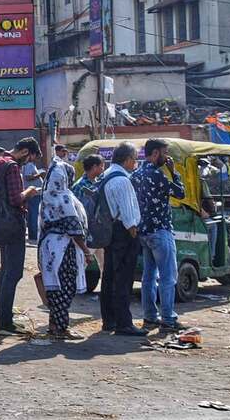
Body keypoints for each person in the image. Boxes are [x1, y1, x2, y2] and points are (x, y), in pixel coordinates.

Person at [0, 138, 42, 336]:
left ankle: (3, 318)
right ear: (24, 151)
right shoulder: (11, 167)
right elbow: (16, 198)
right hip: (12, 223)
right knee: (13, 272)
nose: (29, 162)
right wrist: (30, 192)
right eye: (30, 157)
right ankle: (5, 322)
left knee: (5, 270)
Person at [132, 139, 186, 332]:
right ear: (155, 153)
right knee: (168, 277)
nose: (167, 157)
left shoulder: (136, 174)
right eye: (164, 153)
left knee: (148, 276)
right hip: (160, 231)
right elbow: (180, 193)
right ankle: (168, 319)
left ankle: (149, 317)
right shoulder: (158, 174)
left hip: (144, 232)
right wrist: (174, 172)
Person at [39, 155, 91, 340]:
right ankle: (61, 329)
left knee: (54, 289)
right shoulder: (64, 198)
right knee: (65, 288)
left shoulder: (47, 195)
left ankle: (54, 325)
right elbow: (74, 228)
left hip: (48, 248)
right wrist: (86, 251)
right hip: (63, 248)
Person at [99, 141, 146, 336]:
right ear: (127, 160)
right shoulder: (122, 180)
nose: (135, 163)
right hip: (123, 232)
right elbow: (128, 214)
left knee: (109, 276)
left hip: (110, 231)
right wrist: (133, 232)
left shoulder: (106, 175)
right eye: (134, 159)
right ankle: (124, 323)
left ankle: (109, 320)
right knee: (123, 279)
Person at [72, 154, 106, 277]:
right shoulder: (80, 186)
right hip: (86, 233)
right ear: (95, 167)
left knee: (105, 266)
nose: (103, 169)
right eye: (102, 166)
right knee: (81, 265)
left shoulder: (97, 183)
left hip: (99, 233)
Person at [21, 154, 45, 242]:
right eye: (37, 156)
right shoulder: (29, 165)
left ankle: (33, 235)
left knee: (32, 214)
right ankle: (34, 235)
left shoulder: (32, 165)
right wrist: (40, 175)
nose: (39, 158)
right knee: (34, 215)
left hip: (34, 193)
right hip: (33, 194)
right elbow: (27, 177)